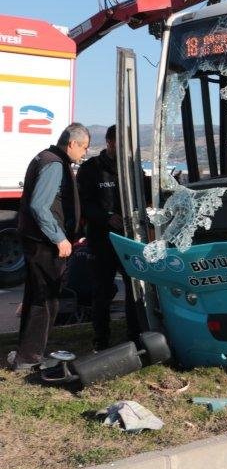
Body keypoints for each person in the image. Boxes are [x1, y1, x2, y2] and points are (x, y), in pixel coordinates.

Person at [7, 123, 89, 371]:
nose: (84, 153)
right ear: (72, 144)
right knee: (45, 300)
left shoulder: (46, 157)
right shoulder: (54, 163)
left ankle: (26, 354)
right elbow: (40, 206)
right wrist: (59, 238)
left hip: (38, 241)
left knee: (36, 297)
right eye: (83, 147)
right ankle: (30, 358)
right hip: (45, 243)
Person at [78, 125, 141, 351]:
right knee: (102, 291)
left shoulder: (133, 168)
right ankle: (101, 338)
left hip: (129, 239)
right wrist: (106, 217)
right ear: (108, 142)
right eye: (118, 143)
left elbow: (142, 198)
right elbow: (83, 205)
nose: (122, 148)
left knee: (134, 287)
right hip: (101, 240)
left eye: (126, 143)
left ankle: (135, 334)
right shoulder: (91, 169)